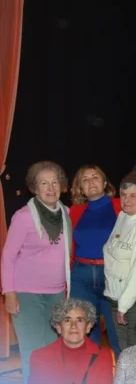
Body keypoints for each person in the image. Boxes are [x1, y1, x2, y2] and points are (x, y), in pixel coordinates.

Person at [1, 161, 72, 382]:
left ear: (61, 186)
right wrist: (9, 292)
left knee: (53, 349)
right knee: (32, 350)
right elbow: (8, 256)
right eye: (44, 183)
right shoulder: (23, 217)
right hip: (26, 294)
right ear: (35, 187)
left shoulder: (68, 214)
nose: (51, 188)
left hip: (57, 294)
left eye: (54, 182)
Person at [104, 163, 136, 351]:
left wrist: (124, 305)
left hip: (132, 301)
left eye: (133, 196)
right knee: (123, 350)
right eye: (124, 195)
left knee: (135, 352)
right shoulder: (122, 217)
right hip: (115, 297)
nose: (126, 200)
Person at [69, 165, 122, 355]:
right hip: (80, 276)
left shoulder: (121, 206)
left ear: (105, 182)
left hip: (111, 275)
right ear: (80, 187)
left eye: (95, 177)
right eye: (85, 179)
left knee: (118, 335)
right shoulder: (74, 211)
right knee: (84, 337)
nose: (91, 181)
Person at [28, 298, 113, 384]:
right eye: (67, 320)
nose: (73, 326)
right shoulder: (39, 357)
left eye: (79, 320)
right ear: (58, 327)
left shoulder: (103, 356)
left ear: (88, 327)